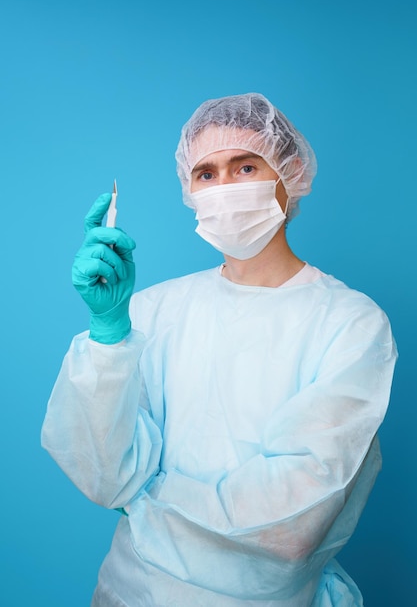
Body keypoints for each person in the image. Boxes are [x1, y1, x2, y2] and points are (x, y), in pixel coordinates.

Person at [41, 93, 397, 606]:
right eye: (206, 173)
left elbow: (293, 522)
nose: (224, 188)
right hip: (129, 592)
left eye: (245, 166)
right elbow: (103, 475)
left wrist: (146, 498)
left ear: (289, 172)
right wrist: (109, 335)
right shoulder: (154, 309)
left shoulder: (350, 322)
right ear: (189, 188)